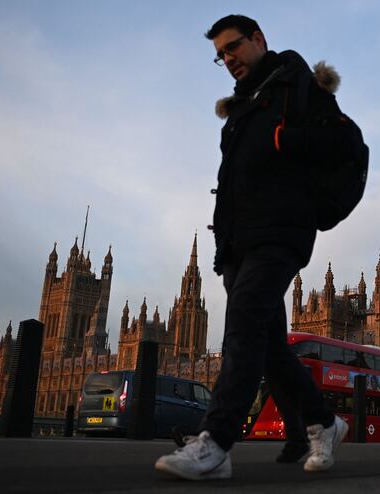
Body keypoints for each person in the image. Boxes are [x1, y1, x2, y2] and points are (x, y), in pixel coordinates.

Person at [156, 14, 363, 480]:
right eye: (220, 55)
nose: (228, 59)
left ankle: (216, 443)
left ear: (258, 39)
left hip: (280, 232)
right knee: (268, 347)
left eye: (234, 47)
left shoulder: (298, 84)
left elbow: (348, 144)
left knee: (243, 323)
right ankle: (326, 423)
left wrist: (285, 139)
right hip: (238, 243)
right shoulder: (238, 111)